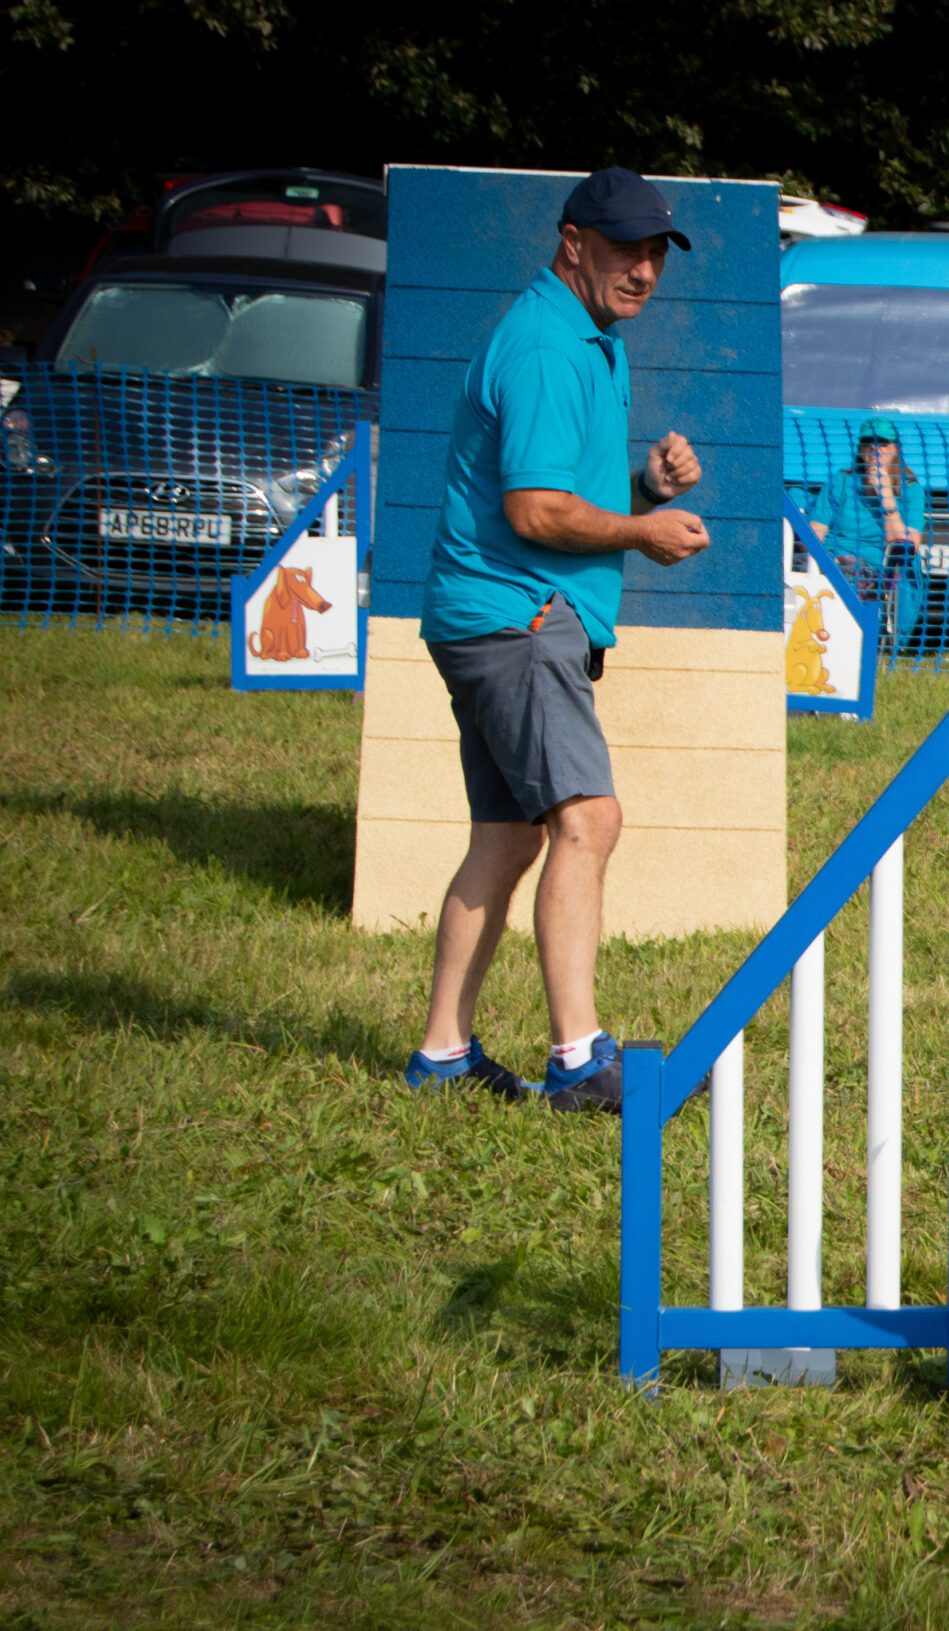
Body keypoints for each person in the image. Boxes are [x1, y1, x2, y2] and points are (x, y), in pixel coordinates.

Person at [405, 167, 711, 1113]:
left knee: (504, 839)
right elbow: (535, 510)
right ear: (572, 240)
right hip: (520, 616)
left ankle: (442, 1055)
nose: (646, 270)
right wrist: (641, 533)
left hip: (494, 613)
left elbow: (560, 484)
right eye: (627, 249)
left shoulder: (587, 338)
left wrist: (645, 490)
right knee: (588, 820)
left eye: (657, 252)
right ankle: (579, 1060)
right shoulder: (546, 345)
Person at [808, 418, 927, 587]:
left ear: (896, 448)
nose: (874, 448)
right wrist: (823, 560)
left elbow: (905, 549)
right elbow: (814, 533)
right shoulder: (841, 481)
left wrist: (885, 494)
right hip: (828, 561)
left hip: (872, 572)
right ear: (860, 448)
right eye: (867, 442)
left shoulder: (912, 491)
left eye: (883, 443)